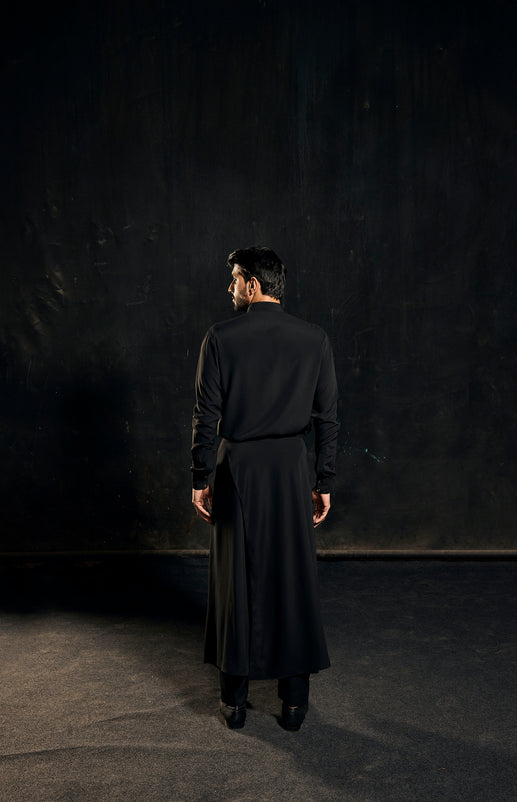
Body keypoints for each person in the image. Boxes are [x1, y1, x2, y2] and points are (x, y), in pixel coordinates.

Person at [191, 246, 339, 731]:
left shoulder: (220, 337)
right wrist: (323, 481)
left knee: (234, 578)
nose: (230, 287)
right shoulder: (314, 338)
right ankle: (294, 704)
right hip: (291, 468)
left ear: (253, 285)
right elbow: (327, 418)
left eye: (234, 279)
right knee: (292, 578)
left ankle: (234, 702)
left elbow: (206, 415)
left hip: (238, 466)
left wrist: (200, 478)